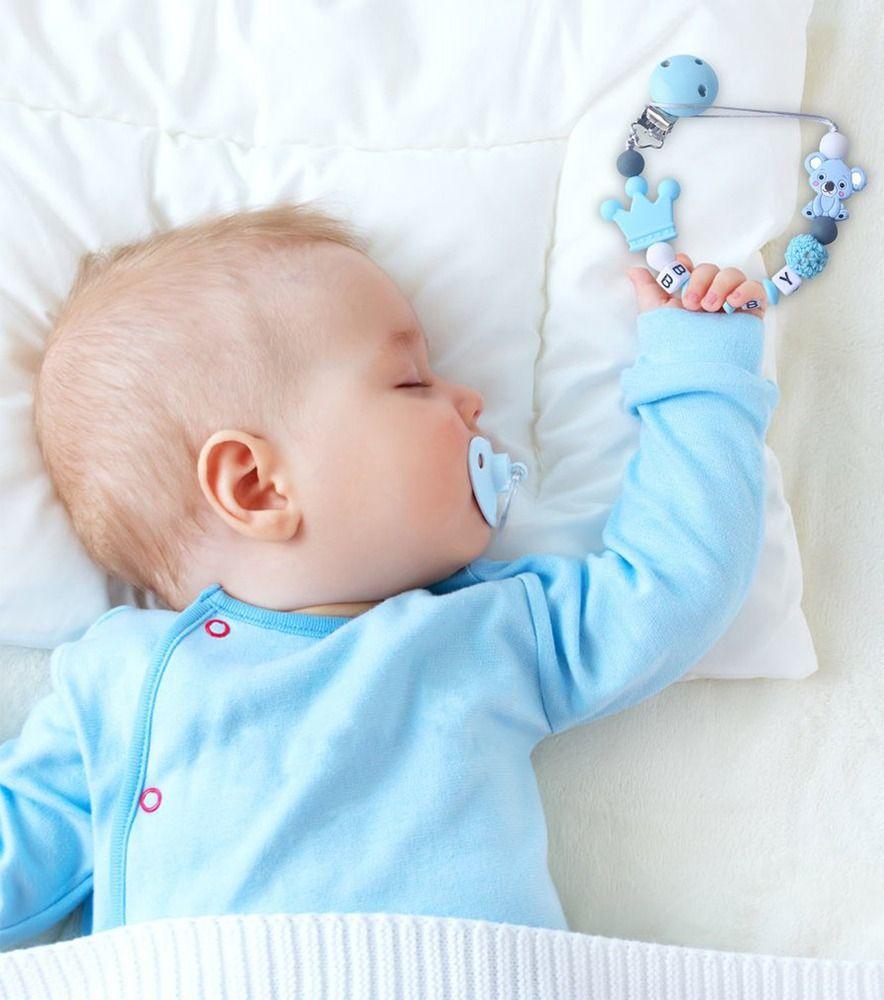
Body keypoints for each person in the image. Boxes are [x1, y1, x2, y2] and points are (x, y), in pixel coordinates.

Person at [0, 201, 778, 950]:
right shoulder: (121, 682)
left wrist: (698, 375)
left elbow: (673, 582)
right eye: (411, 382)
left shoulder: (489, 629)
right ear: (258, 486)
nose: (471, 402)